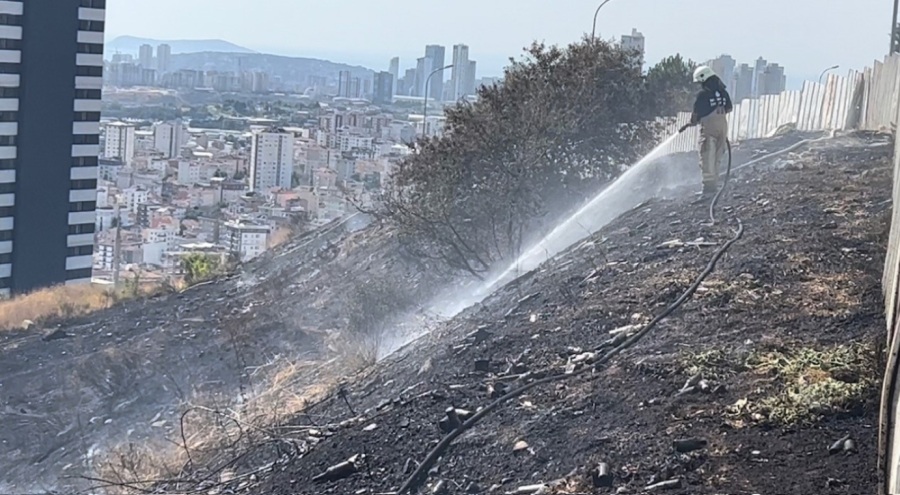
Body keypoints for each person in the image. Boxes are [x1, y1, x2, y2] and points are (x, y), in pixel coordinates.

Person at [679, 65, 733, 197]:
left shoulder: (703, 95)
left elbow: (696, 115)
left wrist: (692, 122)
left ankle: (709, 188)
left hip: (709, 129)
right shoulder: (723, 92)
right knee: (717, 156)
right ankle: (714, 184)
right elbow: (729, 108)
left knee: (707, 154)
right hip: (723, 127)